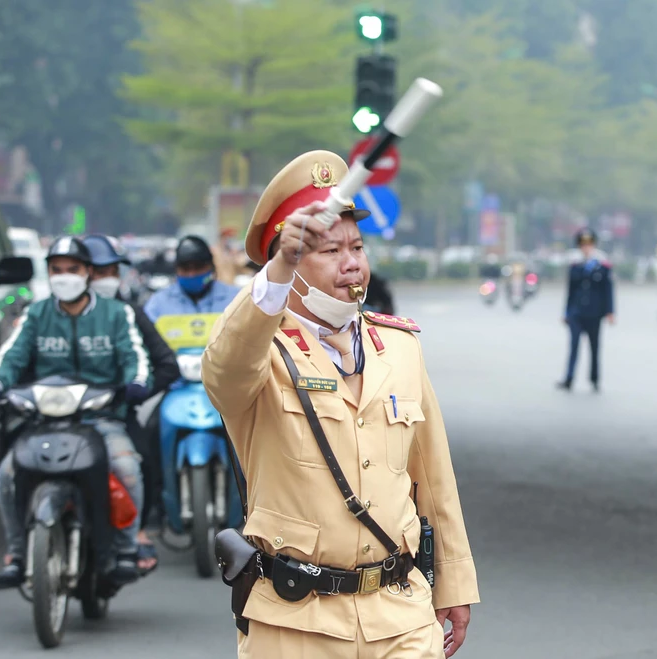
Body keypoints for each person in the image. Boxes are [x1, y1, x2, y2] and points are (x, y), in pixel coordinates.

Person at [202, 151, 479, 659]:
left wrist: (454, 584)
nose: (351, 262)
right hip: (294, 623)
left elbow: (433, 478)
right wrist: (279, 267)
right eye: (329, 250)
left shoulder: (398, 346)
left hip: (400, 613)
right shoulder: (261, 353)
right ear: (288, 265)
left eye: (356, 246)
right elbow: (226, 371)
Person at [0, 237, 153, 588]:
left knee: (127, 468)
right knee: (6, 475)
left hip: (100, 418)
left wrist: (136, 382)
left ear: (88, 272)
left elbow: (134, 358)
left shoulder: (115, 313)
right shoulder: (36, 313)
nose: (64, 277)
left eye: (72, 270)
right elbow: (11, 356)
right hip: (44, 420)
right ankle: (17, 554)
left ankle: (125, 549)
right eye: (56, 270)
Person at [82, 233, 181, 574]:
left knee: (142, 463)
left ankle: (135, 531)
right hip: (55, 416)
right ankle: (22, 546)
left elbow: (166, 365)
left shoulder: (128, 314)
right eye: (96, 272)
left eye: (110, 272)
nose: (103, 280)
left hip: (114, 415)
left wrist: (138, 391)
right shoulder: (47, 315)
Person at [559, 228, 614, 393]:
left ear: (593, 245)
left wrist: (610, 312)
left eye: (589, 244)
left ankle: (595, 379)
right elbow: (570, 290)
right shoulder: (575, 265)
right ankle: (569, 379)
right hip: (577, 312)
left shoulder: (602, 265)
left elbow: (608, 290)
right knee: (574, 345)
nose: (586, 247)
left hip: (595, 313)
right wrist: (566, 312)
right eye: (583, 244)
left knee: (594, 347)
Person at [143, 235, 239, 321]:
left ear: (212, 267)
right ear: (176, 269)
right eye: (185, 268)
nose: (191, 274)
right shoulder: (158, 303)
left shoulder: (236, 300)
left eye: (198, 267)